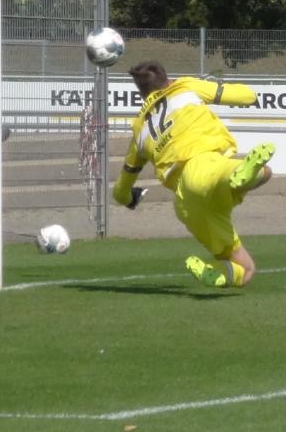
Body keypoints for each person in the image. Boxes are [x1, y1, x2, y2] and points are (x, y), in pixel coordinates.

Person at [112, 60, 275, 288]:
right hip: (203, 164)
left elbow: (119, 193)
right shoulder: (185, 86)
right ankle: (242, 176)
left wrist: (131, 199)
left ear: (142, 93)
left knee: (246, 269)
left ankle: (224, 274)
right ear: (168, 80)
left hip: (185, 201)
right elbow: (247, 96)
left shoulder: (139, 129)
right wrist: (214, 86)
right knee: (265, 172)